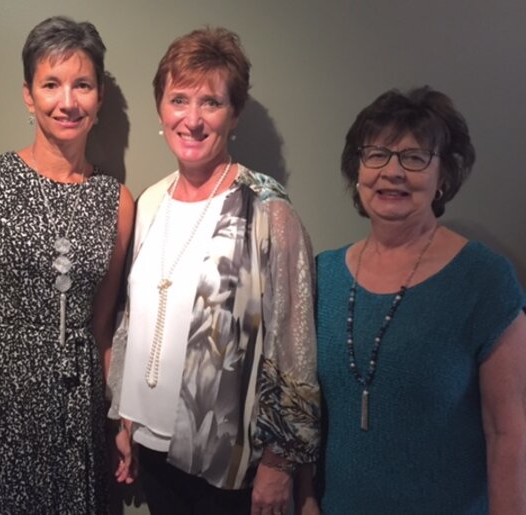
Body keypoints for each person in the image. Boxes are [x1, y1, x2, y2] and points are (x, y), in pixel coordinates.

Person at [108, 27, 320, 515]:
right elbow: (132, 318)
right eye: (178, 99)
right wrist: (126, 419)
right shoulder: (150, 201)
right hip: (151, 447)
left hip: (226, 462)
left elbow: (294, 343)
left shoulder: (266, 208)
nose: (193, 119)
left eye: (212, 102)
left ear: (234, 114)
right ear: (161, 110)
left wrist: (280, 461)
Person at [0, 16, 134, 514]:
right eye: (51, 84)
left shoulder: (117, 201)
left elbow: (102, 327)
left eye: (82, 85)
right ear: (28, 95)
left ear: (99, 96)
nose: (68, 101)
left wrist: (118, 422)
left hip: (76, 411)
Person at [315, 87, 526, 514]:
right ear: (357, 171)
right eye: (376, 154)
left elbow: (508, 433)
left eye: (414, 157)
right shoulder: (324, 274)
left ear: (443, 177)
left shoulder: (484, 280)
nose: (392, 171)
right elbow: (304, 412)